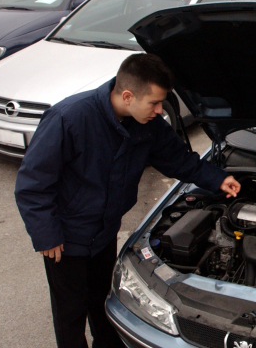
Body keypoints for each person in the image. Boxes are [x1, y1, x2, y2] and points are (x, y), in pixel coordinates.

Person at [14, 53, 241, 348]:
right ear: (127, 95)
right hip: (65, 241)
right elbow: (32, 184)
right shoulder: (69, 118)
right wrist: (46, 235)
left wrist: (217, 178)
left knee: (103, 301)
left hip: (105, 232)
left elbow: (178, 160)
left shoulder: (147, 124)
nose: (160, 111)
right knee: (71, 311)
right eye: (154, 103)